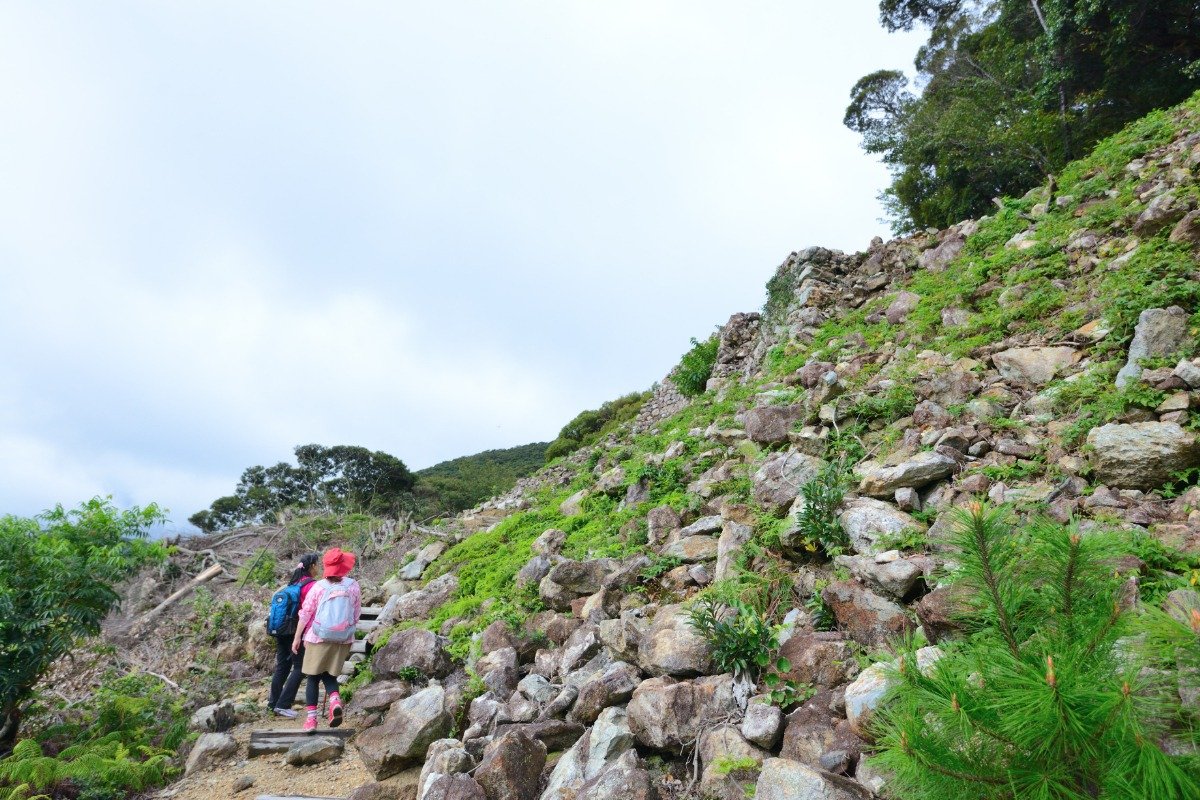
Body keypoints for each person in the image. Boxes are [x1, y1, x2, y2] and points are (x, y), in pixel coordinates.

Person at [291, 547, 361, 734]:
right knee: (329, 675)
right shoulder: (353, 585)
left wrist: (297, 637)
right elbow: (356, 614)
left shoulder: (318, 587)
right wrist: (347, 634)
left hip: (318, 636)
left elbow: (305, 614)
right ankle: (335, 699)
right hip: (342, 639)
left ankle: (311, 721)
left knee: (313, 677)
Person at [265, 553, 320, 717]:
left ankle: (272, 704)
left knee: (282, 667)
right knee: (300, 667)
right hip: (295, 630)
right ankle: (283, 704)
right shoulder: (311, 585)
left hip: (281, 630)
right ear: (311, 567)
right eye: (317, 564)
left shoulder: (291, 585)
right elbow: (311, 609)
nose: (319, 568)